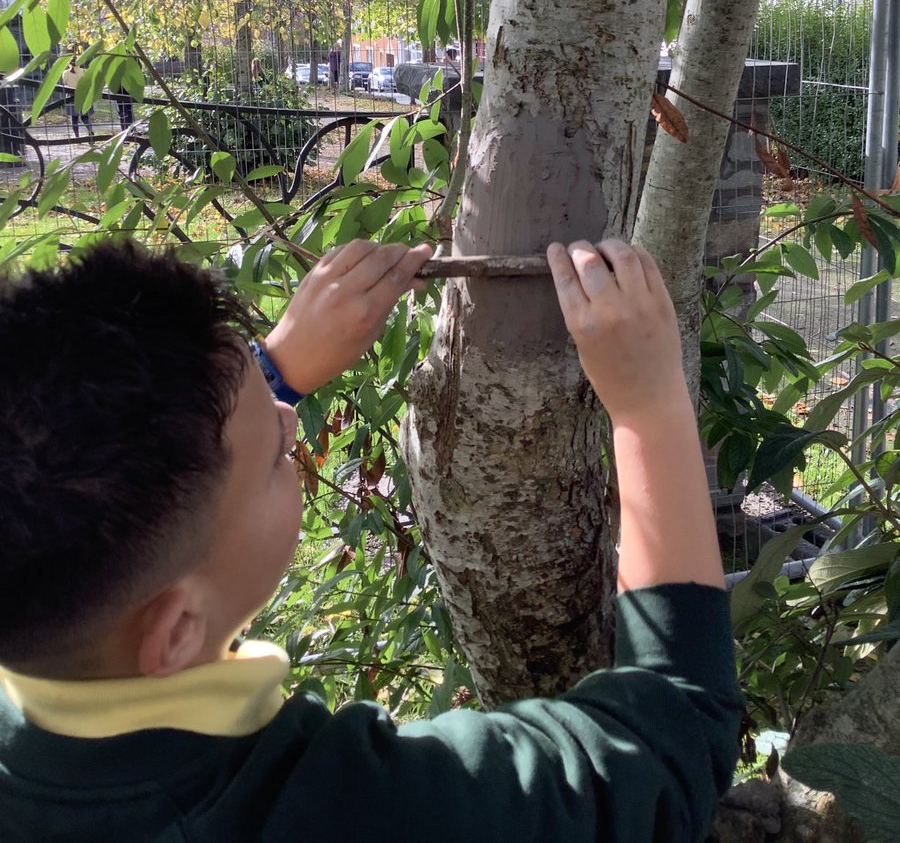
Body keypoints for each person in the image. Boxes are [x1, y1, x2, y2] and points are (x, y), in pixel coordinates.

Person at [0, 236, 741, 843]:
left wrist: (270, 372)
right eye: (278, 458)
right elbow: (676, 737)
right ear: (177, 629)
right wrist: (648, 405)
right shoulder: (375, 813)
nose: (290, 420)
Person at [60, 55, 94, 140]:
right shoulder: (84, 71)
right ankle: (90, 131)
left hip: (71, 96)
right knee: (85, 116)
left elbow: (64, 83)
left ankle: (77, 137)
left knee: (74, 118)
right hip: (83, 94)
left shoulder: (65, 73)